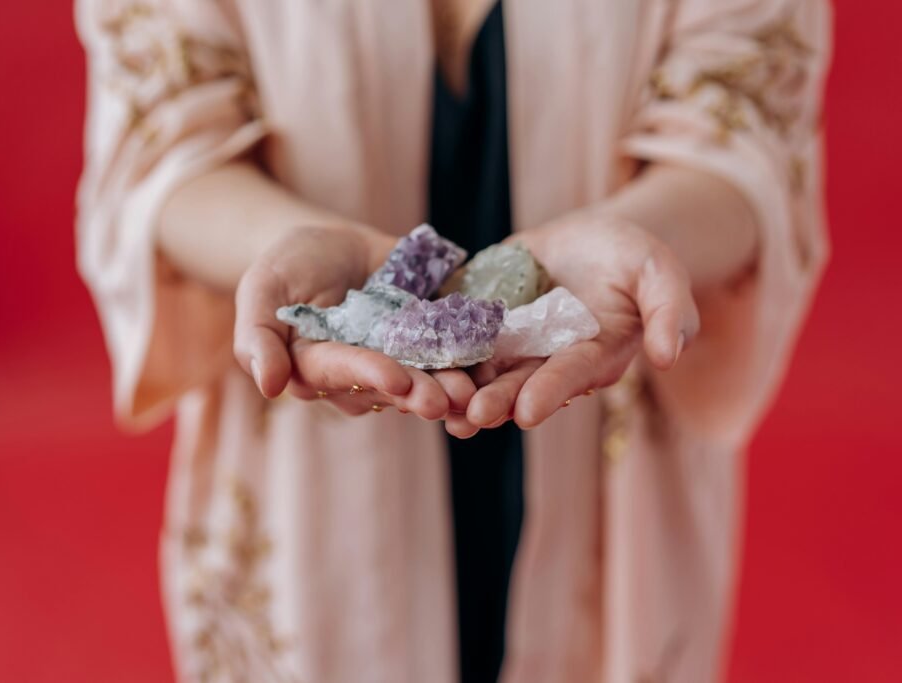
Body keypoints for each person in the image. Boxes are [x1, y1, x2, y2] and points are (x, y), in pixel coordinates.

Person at [75, 1, 831, 681]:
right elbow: (156, 139)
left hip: (601, 419)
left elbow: (753, 126)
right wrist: (286, 256)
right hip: (309, 476)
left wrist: (644, 247)